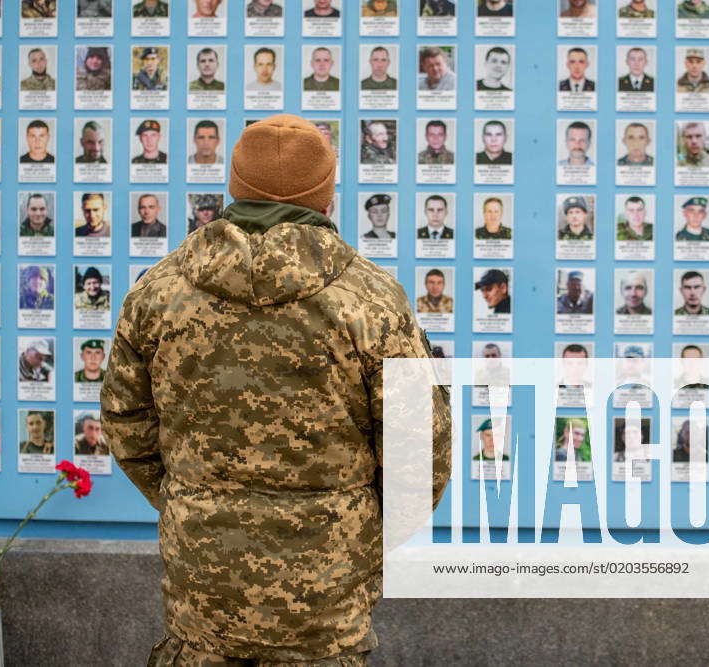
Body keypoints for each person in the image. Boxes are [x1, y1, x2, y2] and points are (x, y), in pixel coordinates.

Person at [101, 114, 450, 665]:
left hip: (203, 588)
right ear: (326, 198)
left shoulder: (158, 292)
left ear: (234, 188)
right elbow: (419, 453)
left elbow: (126, 427)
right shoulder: (373, 301)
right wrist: (360, 533)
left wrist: (193, 501)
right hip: (326, 595)